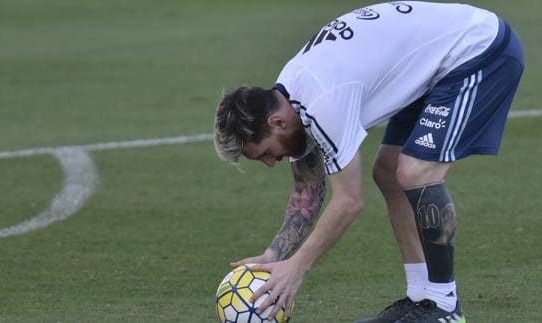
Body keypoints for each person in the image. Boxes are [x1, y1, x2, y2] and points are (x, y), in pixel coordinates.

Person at [213, 1, 524, 322]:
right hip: (434, 63)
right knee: (388, 172)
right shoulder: (290, 97)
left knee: (416, 173)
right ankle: (421, 299)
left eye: (265, 152)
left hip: (478, 49)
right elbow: (308, 187)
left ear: (277, 123)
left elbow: (349, 202)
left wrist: (296, 268)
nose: (270, 162)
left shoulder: (321, 100)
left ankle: (444, 307)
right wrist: (273, 255)